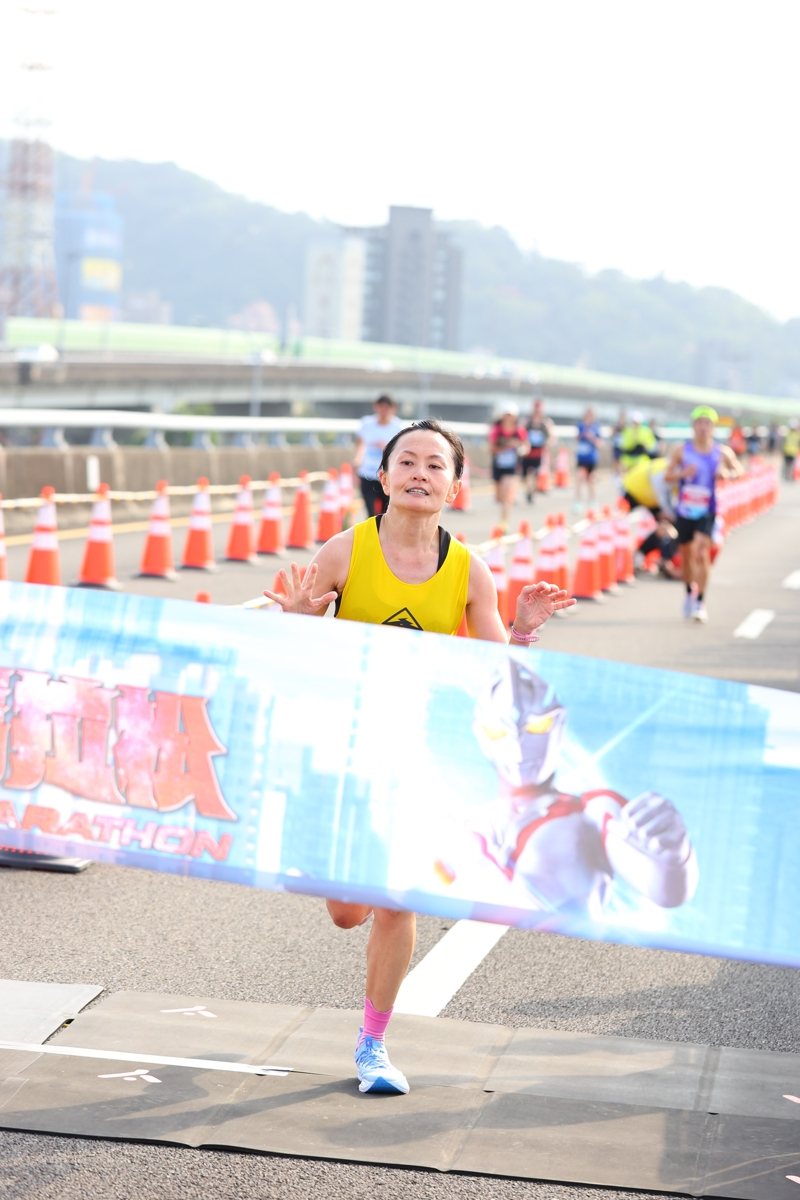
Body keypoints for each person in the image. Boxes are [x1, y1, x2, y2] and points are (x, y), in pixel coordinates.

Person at [263, 418, 576, 1097]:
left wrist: (521, 629)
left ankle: (372, 1042)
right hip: (342, 751)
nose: (420, 473)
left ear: (455, 487)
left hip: (418, 757)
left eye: (436, 466)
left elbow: (498, 674)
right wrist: (293, 617)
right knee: (349, 911)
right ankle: (338, 882)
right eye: (408, 461)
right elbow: (298, 654)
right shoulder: (345, 552)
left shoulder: (470, 570)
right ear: (383, 475)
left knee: (397, 901)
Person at [436, 658, 699, 917]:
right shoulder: (468, 824)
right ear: (482, 734)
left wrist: (673, 856)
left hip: (565, 952)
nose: (517, 744)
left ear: (558, 726)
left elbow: (665, 889)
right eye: (498, 732)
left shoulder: (591, 810)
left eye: (537, 726)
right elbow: (428, 887)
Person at [665, 405, 744, 622]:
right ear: (693, 426)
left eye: (707, 423)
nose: (703, 427)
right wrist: (682, 473)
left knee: (701, 552)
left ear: (713, 427)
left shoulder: (721, 452)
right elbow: (667, 476)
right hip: (684, 510)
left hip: (707, 510)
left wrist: (726, 472)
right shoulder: (682, 450)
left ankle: (700, 601)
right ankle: (689, 594)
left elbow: (739, 470)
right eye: (699, 423)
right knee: (687, 556)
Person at [620, 455, 680, 578]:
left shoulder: (682, 471)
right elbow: (664, 501)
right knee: (620, 527)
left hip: (649, 496)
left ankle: (644, 557)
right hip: (634, 489)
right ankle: (629, 561)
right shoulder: (664, 472)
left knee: (665, 527)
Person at [353, 394, 406, 517]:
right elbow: (360, 445)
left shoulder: (397, 426)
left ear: (393, 409)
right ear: (376, 407)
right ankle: (372, 534)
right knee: (370, 512)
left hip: (387, 474)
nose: (384, 411)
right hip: (367, 473)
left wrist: (385, 447)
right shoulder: (367, 423)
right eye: (381, 407)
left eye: (387, 408)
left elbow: (401, 450)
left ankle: (383, 534)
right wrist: (357, 461)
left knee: (385, 512)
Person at [488, 403, 529, 525]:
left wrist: (521, 449)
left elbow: (526, 445)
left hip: (512, 467)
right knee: (499, 497)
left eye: (511, 415)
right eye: (506, 415)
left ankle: (503, 523)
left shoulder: (519, 430)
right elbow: (491, 448)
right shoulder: (497, 430)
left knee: (506, 496)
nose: (508, 418)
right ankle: (505, 509)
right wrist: (506, 447)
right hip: (498, 465)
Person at [519, 396, 554, 503]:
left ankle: (531, 492)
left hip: (538, 452)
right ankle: (529, 490)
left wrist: (547, 444)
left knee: (534, 474)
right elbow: (521, 433)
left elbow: (550, 437)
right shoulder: (527, 421)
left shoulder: (545, 423)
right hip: (527, 452)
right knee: (525, 475)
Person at [574, 406, 602, 507]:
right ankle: (578, 502)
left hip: (591, 458)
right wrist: (582, 435)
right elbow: (577, 438)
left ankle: (593, 501)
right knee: (579, 478)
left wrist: (592, 437)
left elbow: (599, 443)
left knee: (592, 480)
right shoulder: (580, 425)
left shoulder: (596, 427)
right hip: (581, 457)